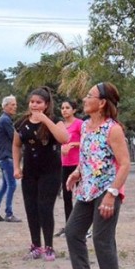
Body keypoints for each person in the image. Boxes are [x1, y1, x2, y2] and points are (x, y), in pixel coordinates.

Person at [63, 82, 131, 269]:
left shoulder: (113, 129)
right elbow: (88, 155)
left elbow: (125, 164)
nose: (84, 99)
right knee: (73, 232)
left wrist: (112, 194)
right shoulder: (85, 126)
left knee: (102, 239)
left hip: (107, 191)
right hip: (87, 190)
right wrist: (77, 172)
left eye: (89, 95)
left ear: (101, 103)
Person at [13, 87, 69, 261]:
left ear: (46, 104)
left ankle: (49, 247)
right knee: (31, 208)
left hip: (50, 171)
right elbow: (16, 145)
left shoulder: (54, 120)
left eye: (38, 102)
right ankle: (35, 246)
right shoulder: (22, 122)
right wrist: (16, 167)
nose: (34, 105)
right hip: (30, 171)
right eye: (32, 102)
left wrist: (45, 120)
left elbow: (64, 138)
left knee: (45, 208)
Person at [0, 95, 22, 223]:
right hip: (6, 157)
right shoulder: (5, 120)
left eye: (15, 104)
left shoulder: (4, 119)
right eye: (12, 104)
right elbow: (15, 137)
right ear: (5, 106)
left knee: (5, 185)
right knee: (12, 185)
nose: (15, 107)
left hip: (2, 157)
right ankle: (9, 214)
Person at [56, 100, 82, 237]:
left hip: (77, 164)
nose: (64, 110)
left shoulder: (79, 124)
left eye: (67, 107)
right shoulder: (60, 125)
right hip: (64, 164)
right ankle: (69, 226)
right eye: (62, 108)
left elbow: (87, 141)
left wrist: (73, 145)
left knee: (81, 196)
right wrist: (61, 148)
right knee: (67, 197)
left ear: (74, 110)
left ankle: (83, 227)